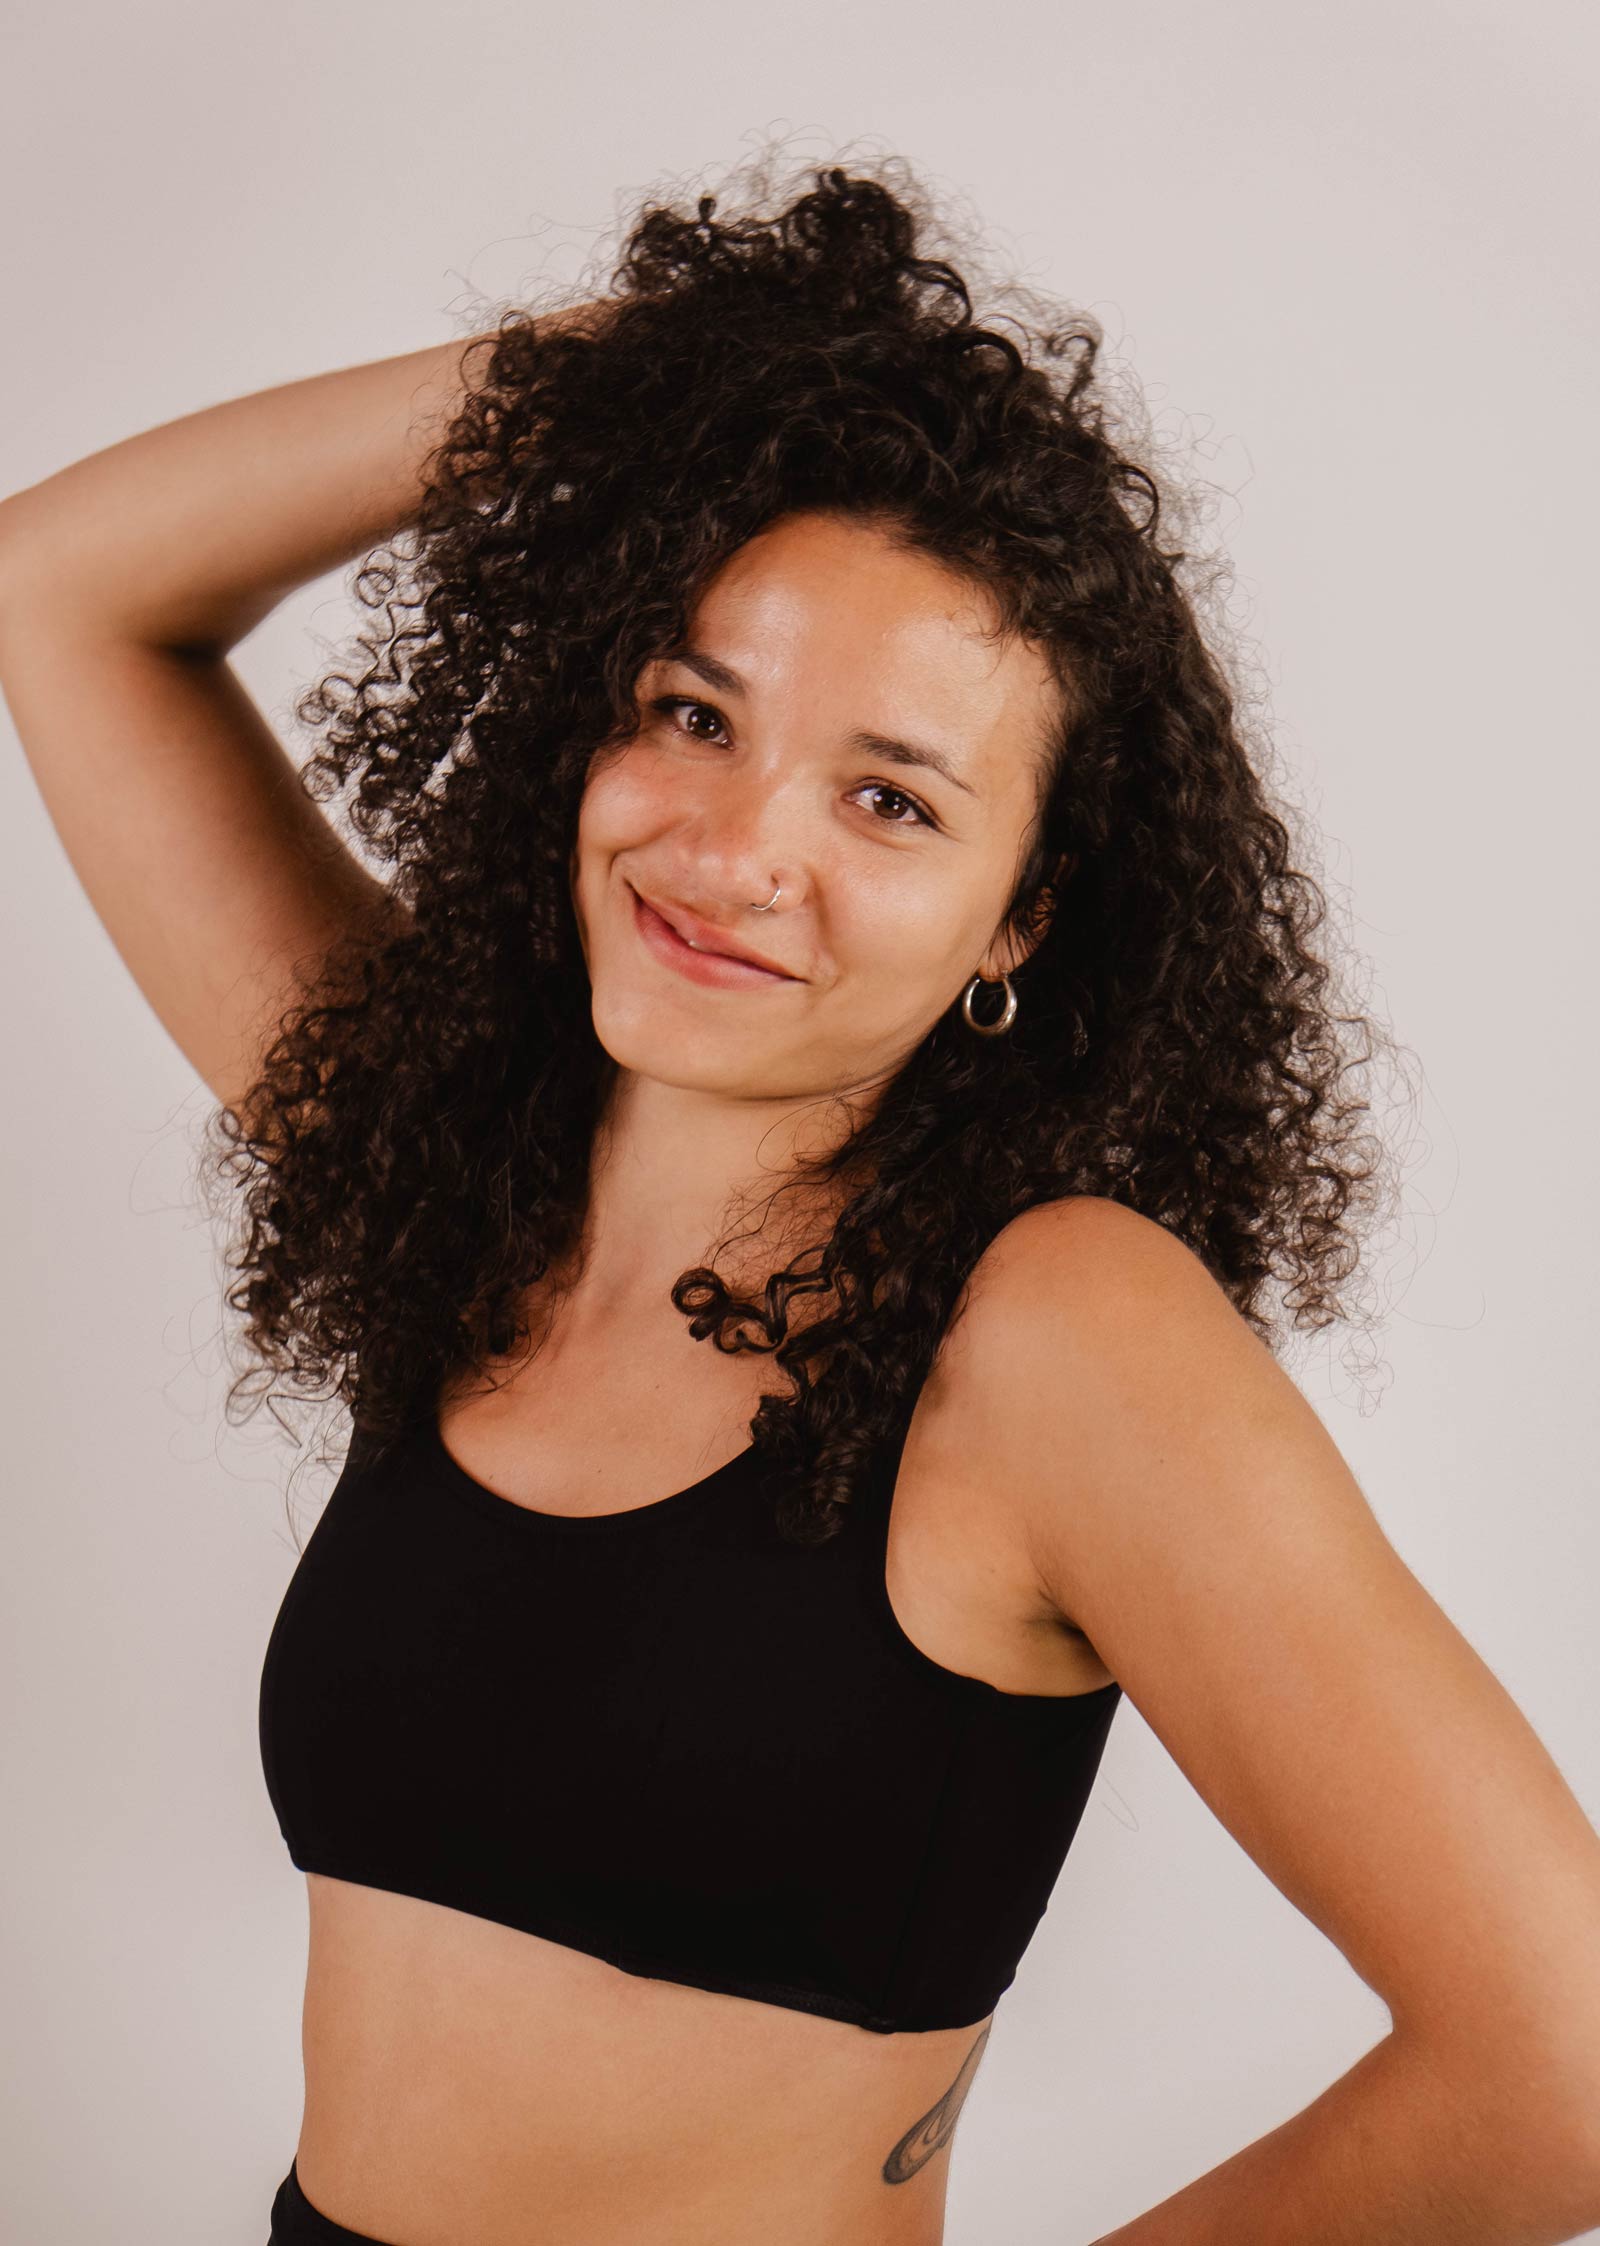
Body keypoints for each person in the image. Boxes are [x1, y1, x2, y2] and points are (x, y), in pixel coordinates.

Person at [4, 153, 1600, 2246]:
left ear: (1014, 916)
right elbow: (60, 583)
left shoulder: (1053, 1332)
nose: (733, 847)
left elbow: (1559, 2062)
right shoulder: (459, 1174)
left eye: (886, 796)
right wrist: (656, 380)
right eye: (690, 712)